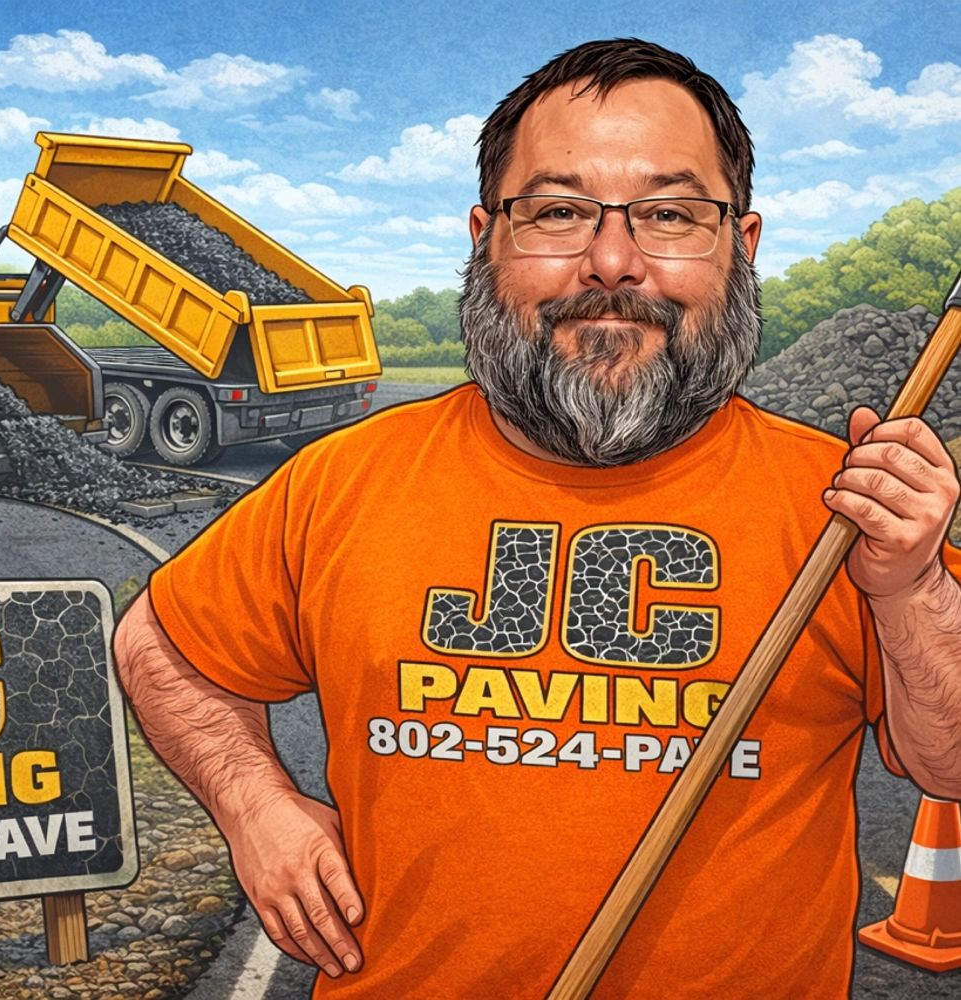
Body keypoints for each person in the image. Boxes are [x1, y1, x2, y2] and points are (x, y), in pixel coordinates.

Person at [113, 39, 961, 998]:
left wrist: (911, 587)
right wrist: (256, 809)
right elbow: (162, 646)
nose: (612, 262)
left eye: (669, 215)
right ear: (486, 237)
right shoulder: (346, 481)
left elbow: (948, 763)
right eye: (557, 212)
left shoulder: (842, 507)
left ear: (741, 243)